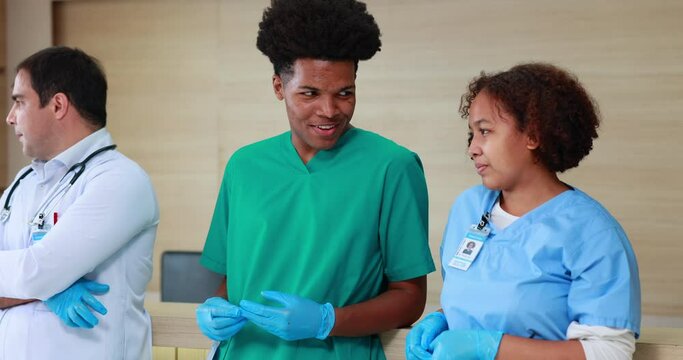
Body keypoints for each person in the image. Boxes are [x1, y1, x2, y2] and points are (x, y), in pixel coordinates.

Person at [195, 0, 435, 359]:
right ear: (279, 87)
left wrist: (328, 320)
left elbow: (410, 297)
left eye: (344, 93)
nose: (329, 110)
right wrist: (214, 307)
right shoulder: (244, 167)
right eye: (309, 93)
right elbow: (233, 279)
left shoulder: (392, 167)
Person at [406, 63, 640, 360]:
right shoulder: (468, 208)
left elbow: (609, 352)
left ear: (533, 135)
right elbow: (491, 303)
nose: (472, 149)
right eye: (472, 134)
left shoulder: (591, 233)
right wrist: (443, 317)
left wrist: (491, 348)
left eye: (485, 131)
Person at [0, 46, 159, 360]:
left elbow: (38, 271)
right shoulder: (23, 183)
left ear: (58, 105)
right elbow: (39, 274)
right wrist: (46, 290)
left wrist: (37, 282)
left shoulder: (120, 180)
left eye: (19, 102)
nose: (10, 118)